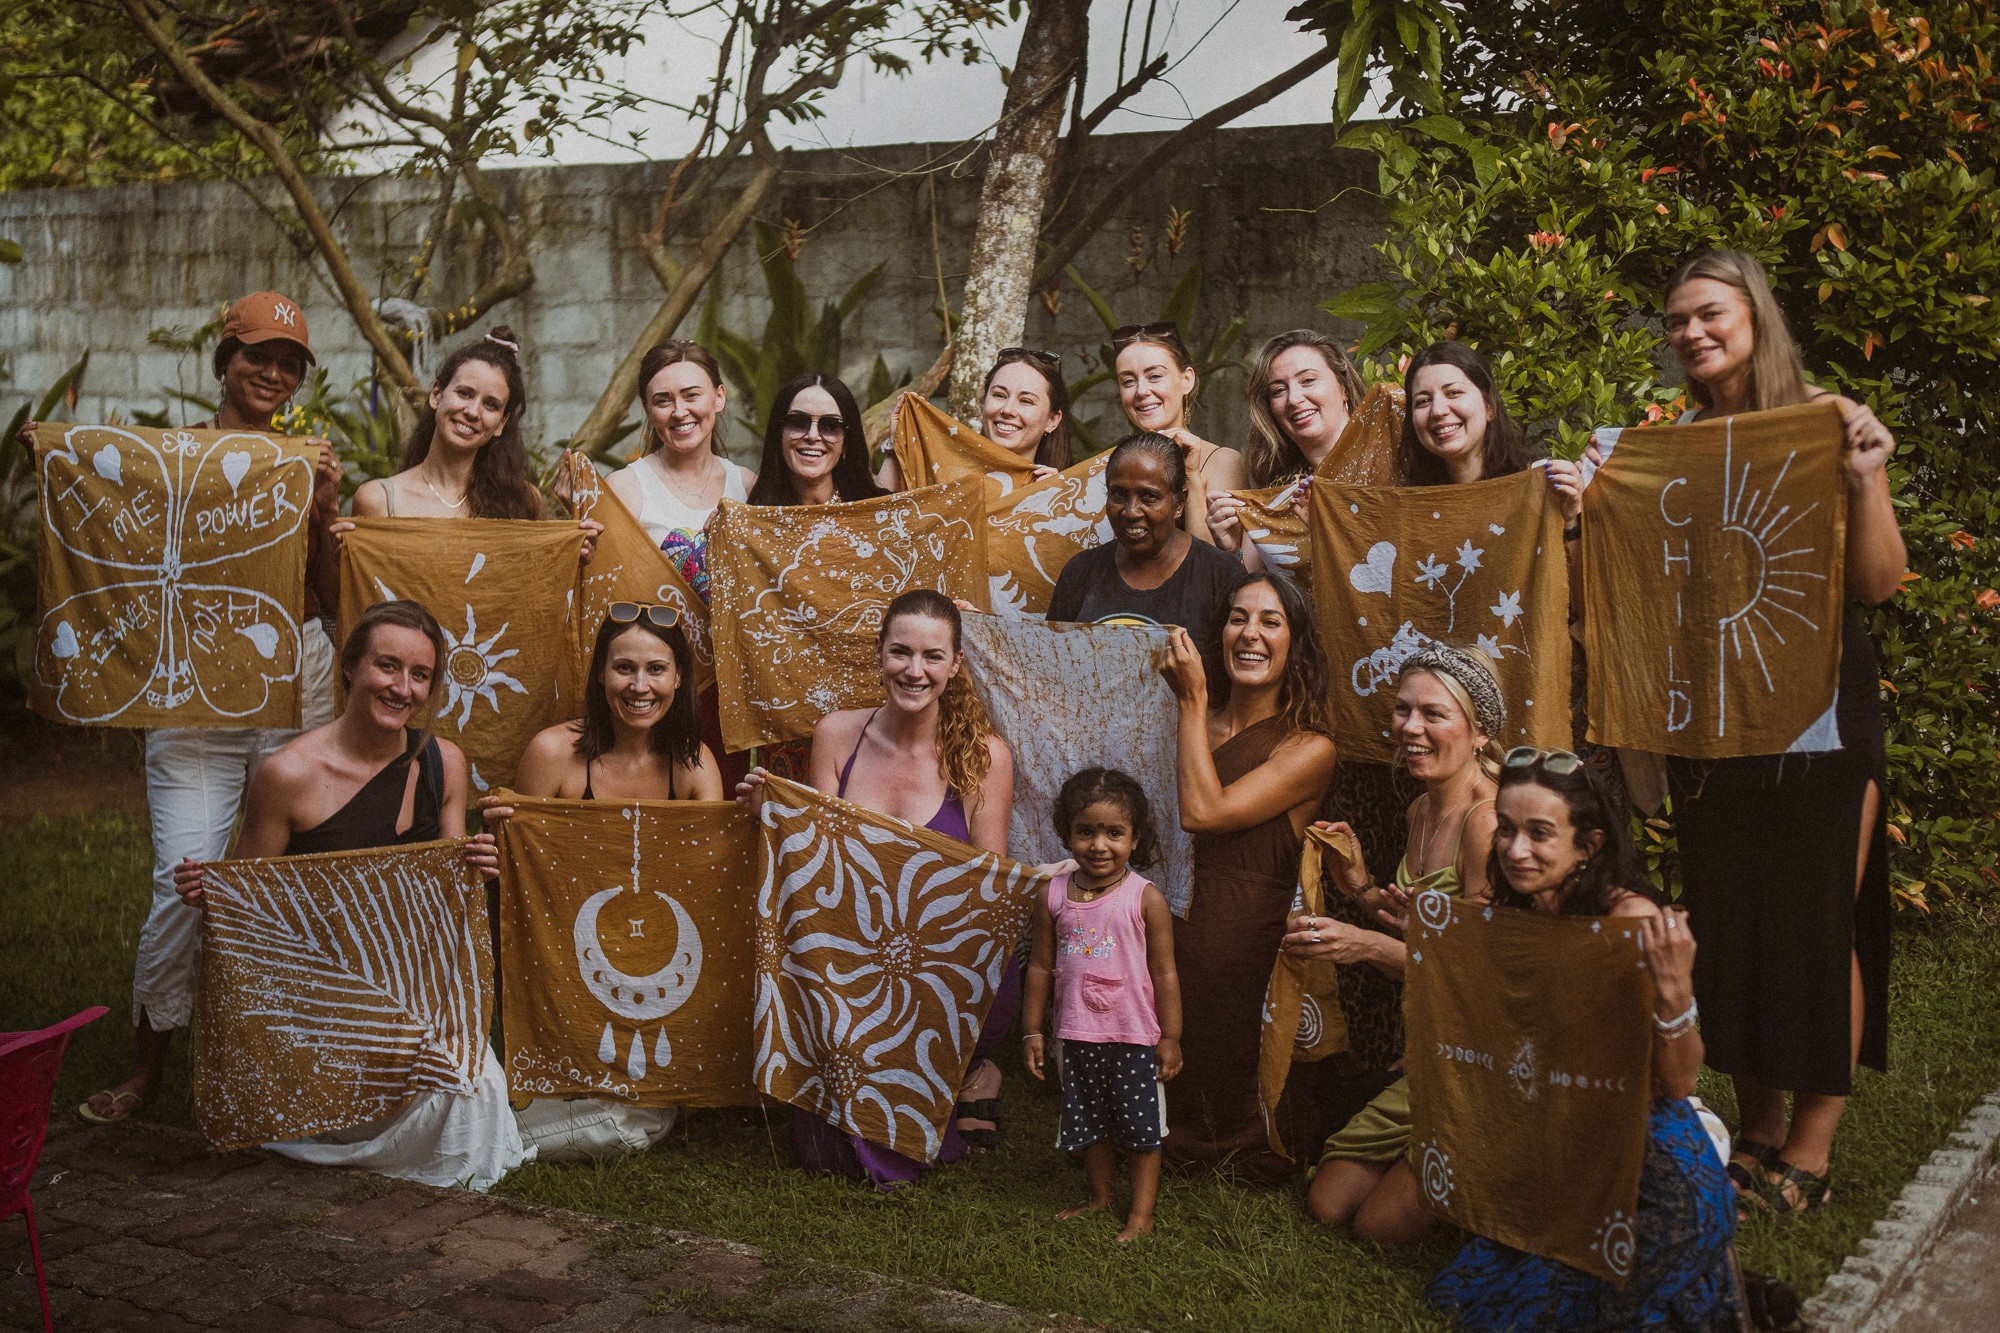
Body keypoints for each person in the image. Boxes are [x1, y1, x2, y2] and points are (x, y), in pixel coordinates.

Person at [1645, 250, 1905, 1215]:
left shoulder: (1828, 418)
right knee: (1731, 924)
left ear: (1756, 313)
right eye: (1676, 321)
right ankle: (1754, 1126)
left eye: (1708, 312)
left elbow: (1876, 584)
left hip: (1821, 715)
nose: (1692, 333)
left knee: (1811, 921)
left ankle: (1811, 1142)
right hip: (1713, 720)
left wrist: (1867, 478)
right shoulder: (1676, 444)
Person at [67, 290, 343, 1126]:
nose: (272, 371)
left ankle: (275, 1054)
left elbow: (333, 602)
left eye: (288, 361)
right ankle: (151, 1064)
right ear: (224, 359)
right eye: (258, 354)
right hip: (191, 690)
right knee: (184, 877)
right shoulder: (171, 457)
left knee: (289, 879)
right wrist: (58, 461)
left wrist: (325, 514)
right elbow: (114, 536)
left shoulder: (310, 463)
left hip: (293, 673)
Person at [172, 600, 530, 1191]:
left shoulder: (445, 762)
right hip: (322, 996)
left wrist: (477, 869)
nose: (403, 688)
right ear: (349, 668)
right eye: (387, 667)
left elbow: (447, 898)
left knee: (473, 1096)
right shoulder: (287, 775)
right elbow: (252, 912)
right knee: (452, 1107)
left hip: (414, 981)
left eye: (420, 675)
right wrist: (210, 890)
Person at [1314, 339, 1562, 1084]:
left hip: (1512, 736)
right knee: (1432, 889)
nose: (1437, 412)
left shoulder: (1539, 487)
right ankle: (1431, 1056)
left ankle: (1510, 1061)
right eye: (1421, 400)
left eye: (1452, 394)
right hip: (1437, 734)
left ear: (1488, 400)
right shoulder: (1401, 507)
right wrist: (1314, 518)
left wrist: (1574, 514)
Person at [1426, 748, 1742, 1330]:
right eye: (1507, 831)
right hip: (1559, 1139)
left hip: (1641, 1153)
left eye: (1540, 834)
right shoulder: (1520, 909)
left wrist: (1674, 993)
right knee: (1475, 1295)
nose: (1516, 851)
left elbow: (1678, 1082)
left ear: (1589, 845)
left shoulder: (1628, 922)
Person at [736, 589, 1017, 1186]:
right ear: (878, 654)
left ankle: (970, 1067)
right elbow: (817, 872)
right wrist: (775, 813)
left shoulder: (983, 756)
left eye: (932, 657)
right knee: (823, 1153)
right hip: (849, 953)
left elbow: (987, 893)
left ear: (956, 665)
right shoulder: (837, 735)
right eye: (900, 653)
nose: (914, 671)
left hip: (941, 960)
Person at [468, 603, 723, 1157]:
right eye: (623, 668)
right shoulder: (554, 753)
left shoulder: (695, 765)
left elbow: (707, 891)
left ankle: (504, 1132)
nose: (639, 685)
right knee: (629, 1123)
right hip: (559, 968)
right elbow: (522, 885)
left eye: (656, 669)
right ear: (600, 675)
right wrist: (498, 853)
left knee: (637, 1120)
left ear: (680, 679)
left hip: (652, 972)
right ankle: (513, 1117)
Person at [1286, 644, 1502, 1243]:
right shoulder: (1419, 808)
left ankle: (1496, 1157)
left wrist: (1363, 945)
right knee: (1328, 1204)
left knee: (1377, 1227)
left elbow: (1477, 972)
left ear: (1480, 732)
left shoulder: (1489, 823)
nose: (1410, 728)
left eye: (1433, 714)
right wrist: (1358, 889)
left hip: (1484, 1055)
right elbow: (1428, 935)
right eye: (1403, 711)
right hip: (1434, 1045)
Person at [1156, 573, 1338, 1181]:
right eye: (1237, 618)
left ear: (1296, 643)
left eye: (1270, 621)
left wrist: (1190, 701)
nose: (1250, 634)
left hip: (1245, 947)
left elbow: (1203, 812)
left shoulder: (1309, 747)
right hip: (1166, 926)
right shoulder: (1188, 720)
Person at [1021, 768, 1184, 1242]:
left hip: (1133, 1036)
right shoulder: (1052, 893)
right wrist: (1032, 1029)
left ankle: (1141, 1215)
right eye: (1086, 831)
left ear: (1135, 840)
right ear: (1067, 833)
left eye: (1114, 833)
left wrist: (1171, 1037)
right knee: (1088, 1121)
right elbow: (1038, 967)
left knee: (1140, 1128)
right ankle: (1100, 1197)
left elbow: (1167, 973)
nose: (1099, 845)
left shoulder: (1145, 899)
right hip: (1074, 1034)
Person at [1044, 433, 1247, 674]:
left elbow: (1239, 690)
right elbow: (1052, 674)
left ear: (1179, 503)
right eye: (1118, 494)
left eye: (1149, 496)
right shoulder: (1080, 572)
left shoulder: (1221, 575)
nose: (1131, 512)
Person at [606, 339, 756, 600]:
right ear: (647, 409)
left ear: (719, 397)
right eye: (663, 401)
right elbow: (607, 592)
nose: (679, 411)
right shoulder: (625, 488)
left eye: (691, 396)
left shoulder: (747, 486)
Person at [1205, 330, 1368, 570]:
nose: (1294, 399)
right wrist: (1231, 550)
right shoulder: (1277, 494)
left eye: (1308, 380)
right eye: (1279, 390)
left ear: (1343, 387)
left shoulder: (1388, 464)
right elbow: (1251, 589)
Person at [352, 327, 547, 521]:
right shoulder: (379, 500)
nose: (472, 412)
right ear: (436, 395)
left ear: (501, 424)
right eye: (464, 393)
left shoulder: (524, 503)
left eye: (490, 405)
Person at [1109, 323, 1245, 544]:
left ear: (1187, 380)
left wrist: (1191, 477)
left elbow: (1212, 564)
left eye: (1154, 376)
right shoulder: (1111, 464)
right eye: (1128, 381)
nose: (1141, 391)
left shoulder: (1222, 461)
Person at [877, 348, 1073, 491]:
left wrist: (1054, 506)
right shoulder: (943, 476)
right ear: (983, 402)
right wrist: (895, 448)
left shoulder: (1060, 492)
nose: (1007, 410)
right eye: (999, 395)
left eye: (1026, 401)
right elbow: (877, 524)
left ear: (1053, 420)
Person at [744, 372, 886, 507]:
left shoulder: (878, 512)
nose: (812, 436)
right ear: (778, 434)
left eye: (830, 425)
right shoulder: (752, 521)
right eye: (798, 422)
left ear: (847, 442)